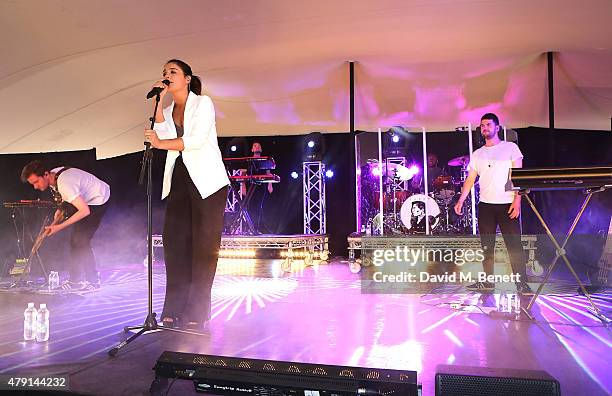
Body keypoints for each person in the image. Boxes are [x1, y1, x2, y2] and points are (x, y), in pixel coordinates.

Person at [144, 59, 229, 330]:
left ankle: (197, 311)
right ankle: (174, 307)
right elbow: (163, 131)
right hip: (179, 178)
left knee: (203, 248)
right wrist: (158, 101)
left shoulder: (203, 103)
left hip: (207, 182)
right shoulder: (168, 107)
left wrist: (160, 142)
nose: (167, 76)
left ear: (188, 78)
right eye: (164, 73)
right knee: (175, 242)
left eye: (173, 72)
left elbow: (196, 140)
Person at [454, 113, 532, 294]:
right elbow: (470, 178)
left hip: (507, 203)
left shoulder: (510, 148)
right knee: (487, 246)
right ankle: (488, 282)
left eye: (488, 124)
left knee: (514, 245)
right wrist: (460, 200)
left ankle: (521, 283)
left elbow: (518, 177)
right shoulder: (478, 154)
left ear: (497, 127)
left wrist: (517, 200)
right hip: (486, 206)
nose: (485, 128)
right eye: (482, 125)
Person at [21, 161, 110, 290]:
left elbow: (85, 211)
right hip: (85, 199)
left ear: (45, 174)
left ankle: (93, 281)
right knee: (75, 241)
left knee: (80, 241)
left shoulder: (64, 183)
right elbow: (65, 202)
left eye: (36, 182)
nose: (35, 187)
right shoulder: (54, 176)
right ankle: (75, 281)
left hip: (98, 199)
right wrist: (59, 213)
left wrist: (58, 227)